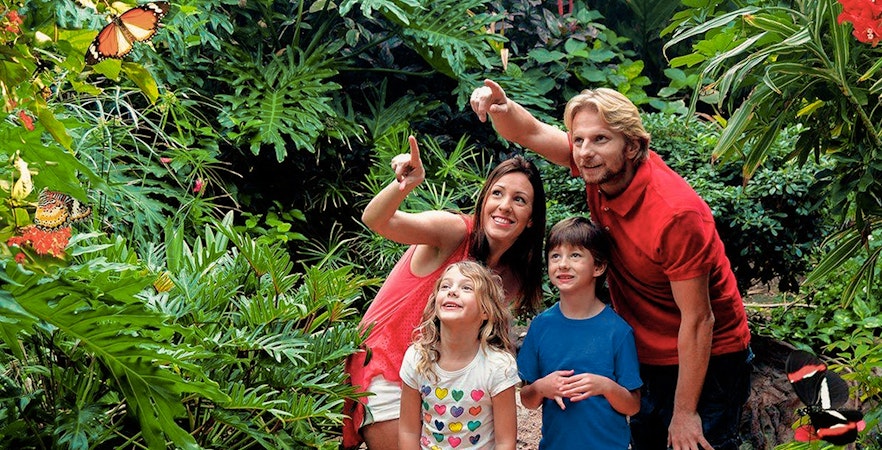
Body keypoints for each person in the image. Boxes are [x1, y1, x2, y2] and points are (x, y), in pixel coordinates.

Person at [471, 80, 752, 450]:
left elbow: (699, 320)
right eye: (579, 140)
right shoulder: (601, 168)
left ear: (633, 146)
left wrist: (685, 412)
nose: (585, 152)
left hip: (707, 360)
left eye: (600, 139)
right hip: (646, 349)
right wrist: (500, 107)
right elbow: (532, 131)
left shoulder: (675, 214)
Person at [342, 136, 546, 449]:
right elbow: (376, 220)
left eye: (519, 200)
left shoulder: (511, 278)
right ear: (483, 200)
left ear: (531, 219)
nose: (505, 205)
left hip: (443, 379)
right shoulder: (454, 232)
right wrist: (406, 185)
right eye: (497, 194)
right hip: (385, 363)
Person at [518, 216, 642, 449]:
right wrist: (542, 388)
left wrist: (605, 386)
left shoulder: (618, 331)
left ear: (598, 266)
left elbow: (633, 405)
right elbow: (527, 399)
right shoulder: (541, 327)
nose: (563, 264)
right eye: (555, 256)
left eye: (575, 255)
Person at [399, 261, 519, 450]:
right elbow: (408, 430)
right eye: (445, 286)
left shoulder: (498, 366)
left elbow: (505, 442)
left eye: (466, 287)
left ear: (486, 311)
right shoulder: (417, 358)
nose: (452, 291)